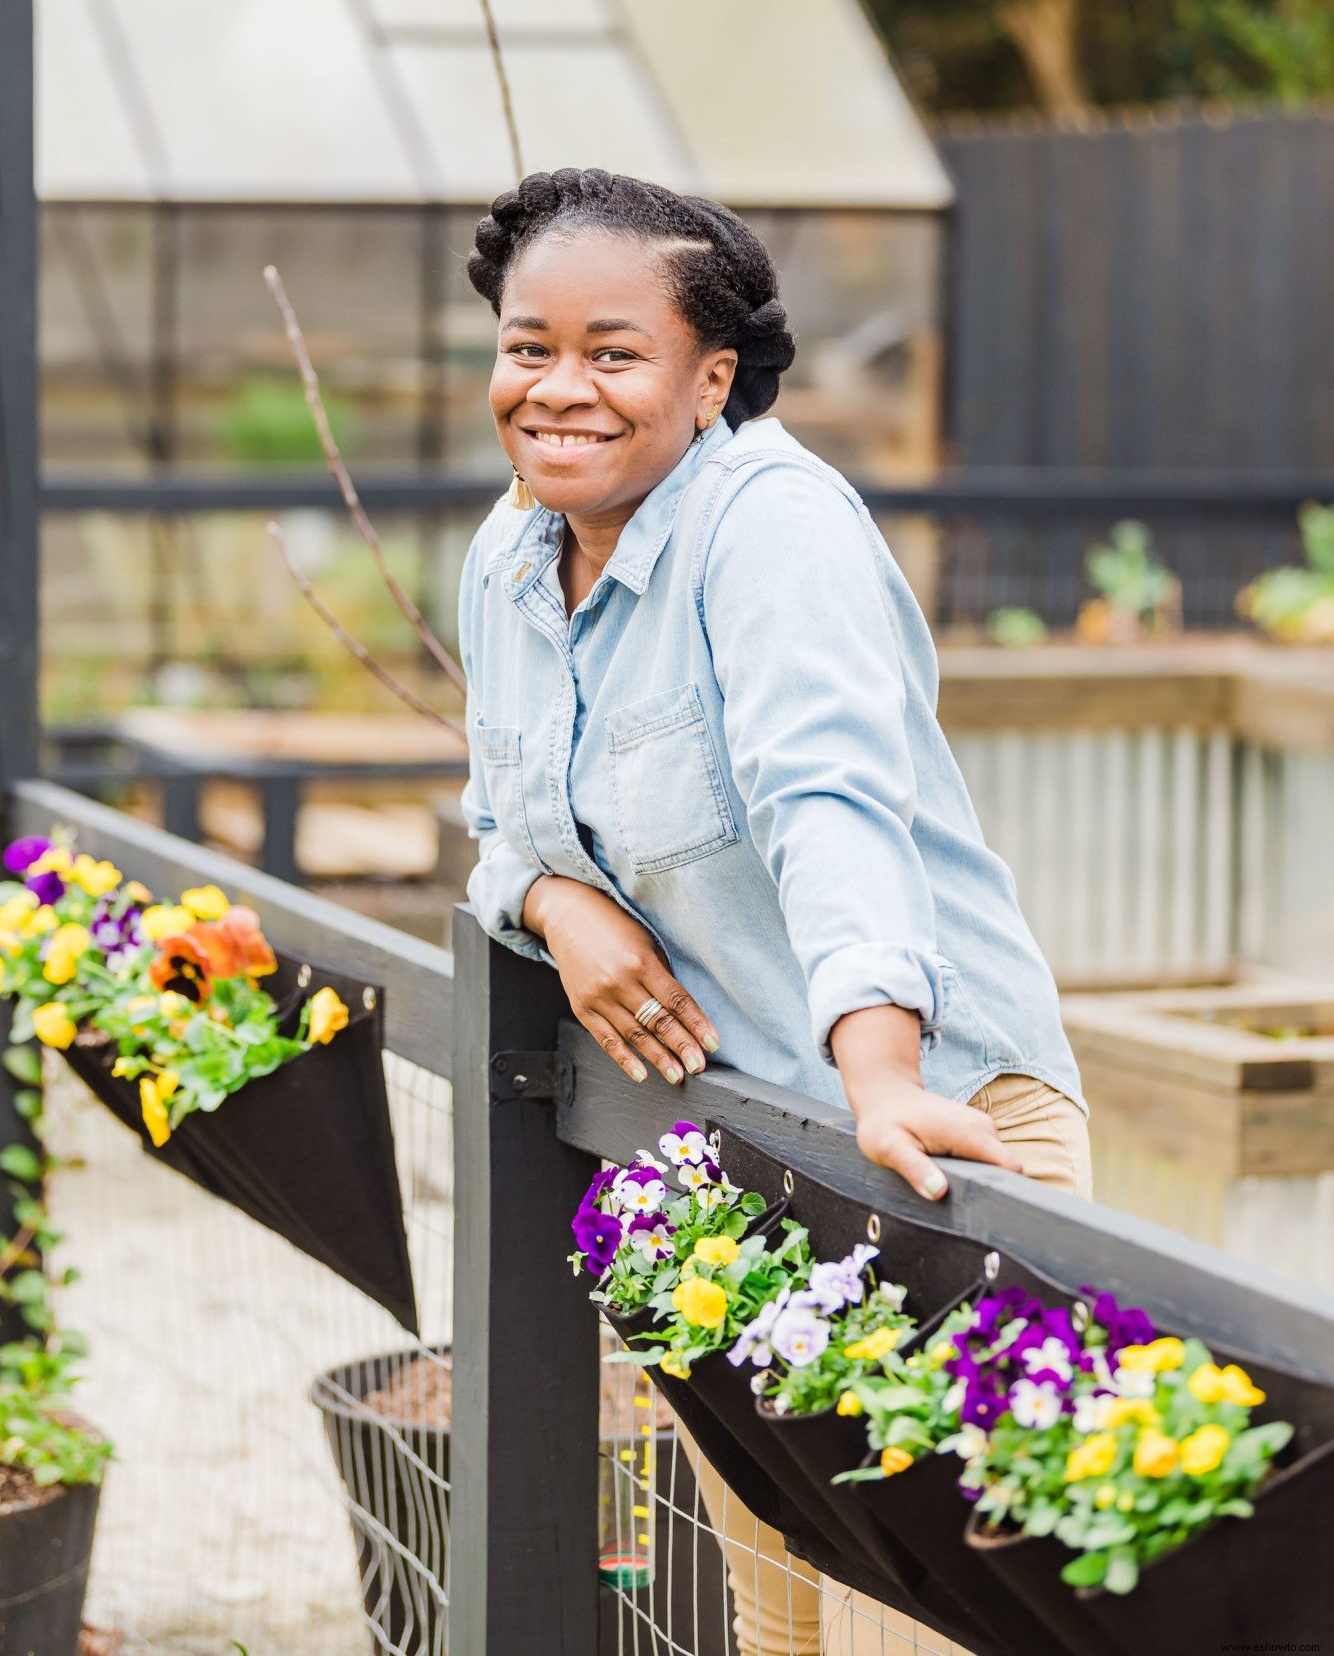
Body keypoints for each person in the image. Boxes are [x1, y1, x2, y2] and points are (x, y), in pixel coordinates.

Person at [456, 166, 1091, 1655]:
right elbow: (494, 826)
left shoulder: (773, 530)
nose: (558, 388)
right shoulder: (509, 559)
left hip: (924, 1139)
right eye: (525, 344)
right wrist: (552, 897)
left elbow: (833, 804)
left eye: (614, 352)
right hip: (735, 1157)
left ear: (711, 375)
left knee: (924, 1625)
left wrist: (878, 1069)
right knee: (773, 1619)